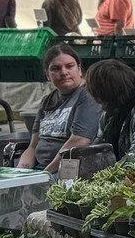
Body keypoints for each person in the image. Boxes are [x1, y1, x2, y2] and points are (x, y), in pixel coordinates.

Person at [16, 44, 102, 172]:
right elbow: (33, 146)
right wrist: (21, 172)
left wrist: (45, 174)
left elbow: (79, 141)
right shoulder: (48, 100)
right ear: (47, 74)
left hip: (68, 171)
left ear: (79, 69)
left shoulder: (88, 95)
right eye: (56, 68)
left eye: (70, 66)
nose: (64, 72)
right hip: (40, 170)